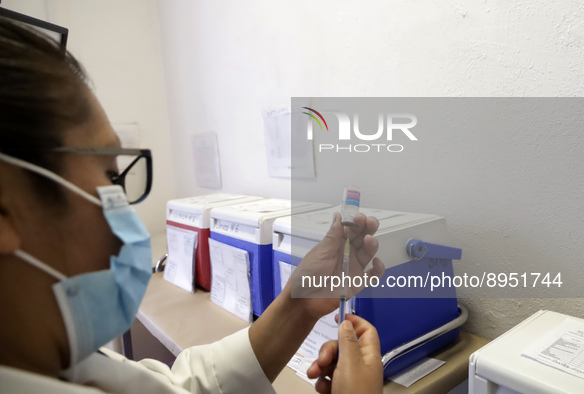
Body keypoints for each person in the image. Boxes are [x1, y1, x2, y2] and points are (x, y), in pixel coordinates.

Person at [0, 17, 385, 394]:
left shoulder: (54, 359)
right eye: (110, 177)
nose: (125, 214)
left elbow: (184, 388)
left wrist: (298, 306)